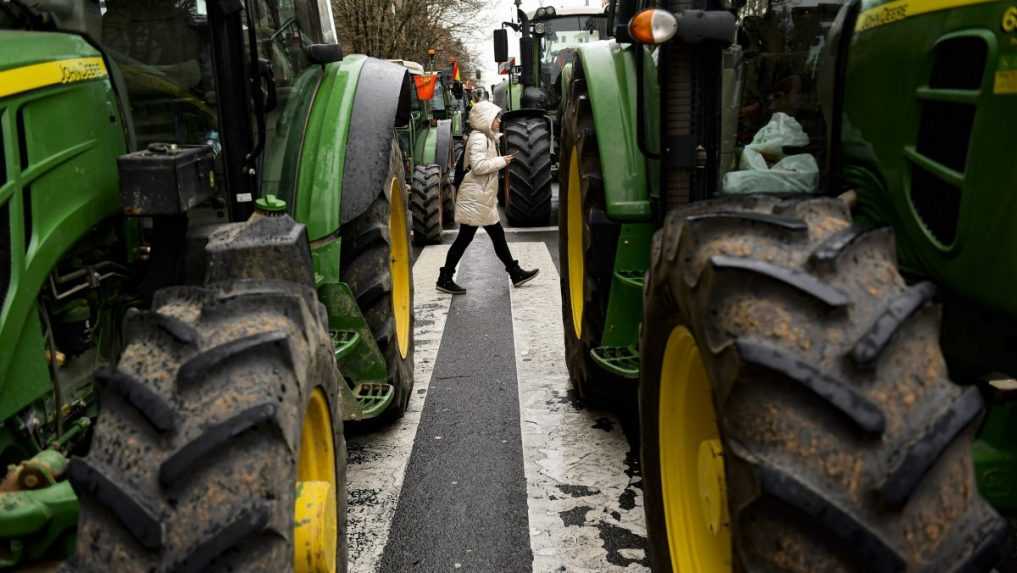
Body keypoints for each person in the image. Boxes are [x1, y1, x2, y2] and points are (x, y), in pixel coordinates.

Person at [437, 101, 538, 295]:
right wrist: (502, 161)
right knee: (469, 238)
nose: (499, 120)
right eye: (496, 117)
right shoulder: (478, 139)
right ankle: (445, 277)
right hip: (476, 196)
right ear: (486, 119)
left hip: (481, 196)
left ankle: (514, 272)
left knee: (488, 236)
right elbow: (479, 167)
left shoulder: (486, 137)